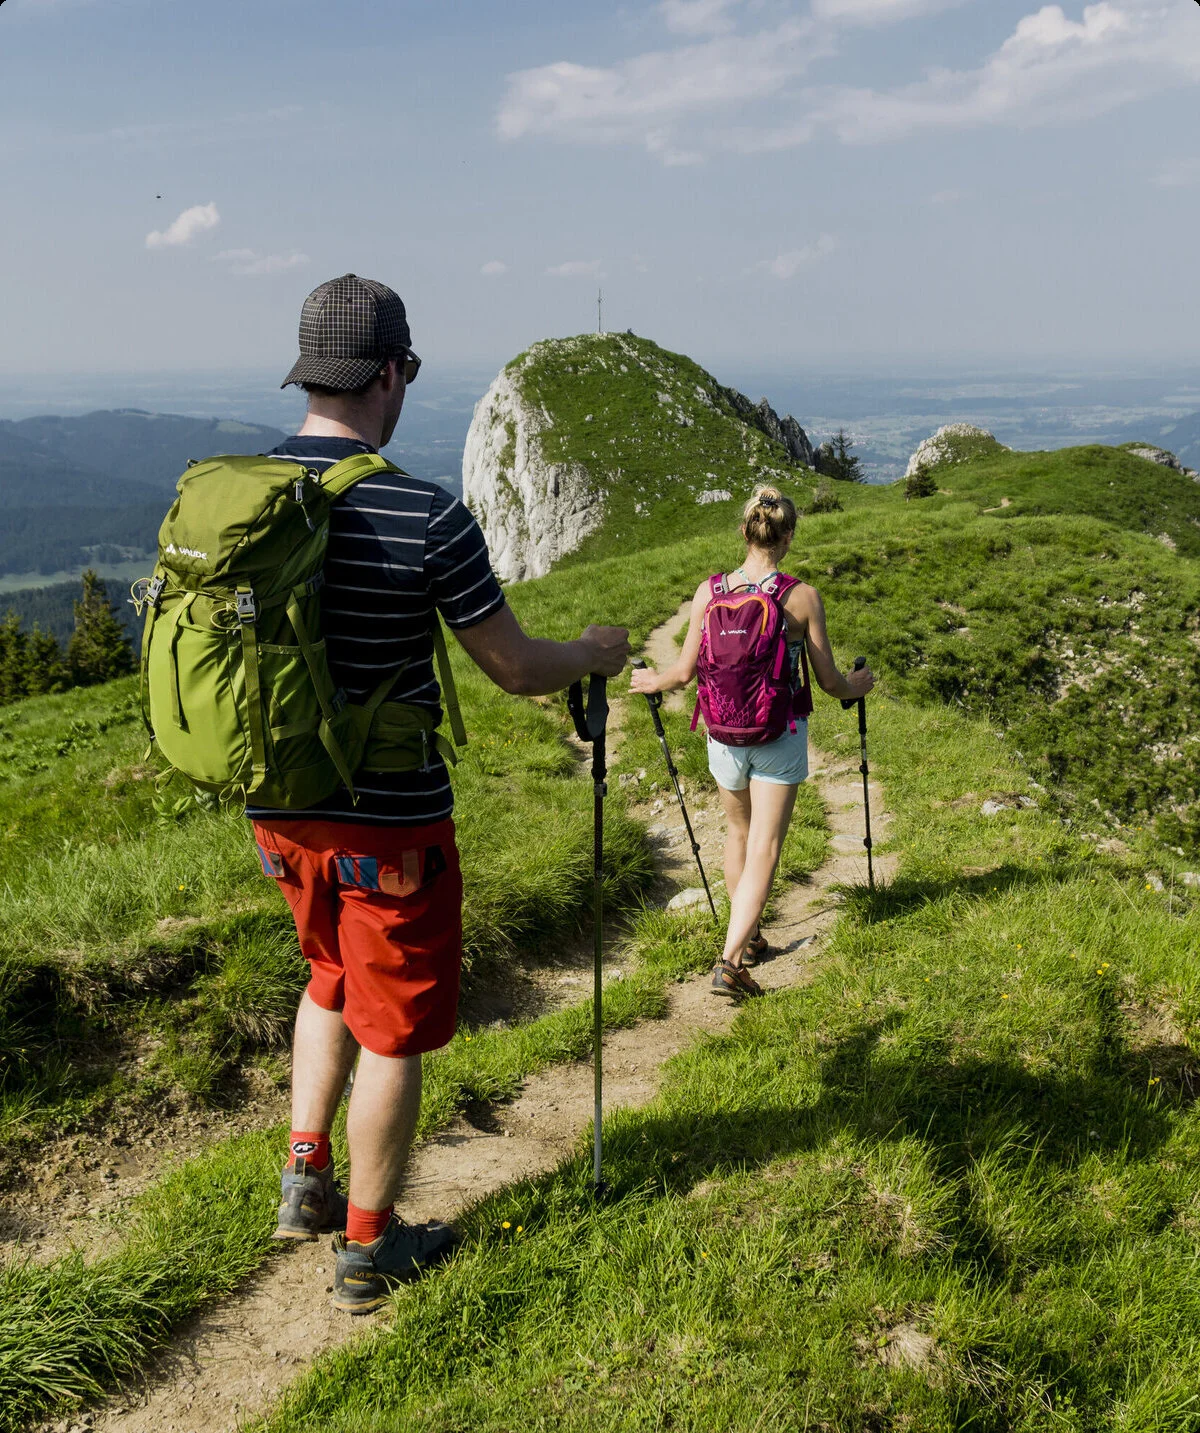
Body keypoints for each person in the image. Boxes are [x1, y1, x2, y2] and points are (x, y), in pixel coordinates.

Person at [252, 274, 628, 1314]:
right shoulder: (425, 511)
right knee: (392, 1030)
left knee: (327, 973)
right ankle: (370, 1248)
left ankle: (303, 1172)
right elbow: (511, 665)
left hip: (278, 813)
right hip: (392, 827)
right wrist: (592, 651)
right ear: (387, 374)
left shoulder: (240, 499)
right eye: (406, 371)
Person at [630, 485, 873, 998]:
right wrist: (859, 686)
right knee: (766, 843)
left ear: (744, 533)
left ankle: (750, 936)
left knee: (738, 836)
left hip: (722, 734)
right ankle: (731, 960)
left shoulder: (709, 592)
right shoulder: (799, 596)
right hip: (778, 733)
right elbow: (829, 681)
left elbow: (683, 672)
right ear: (786, 539)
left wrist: (653, 682)